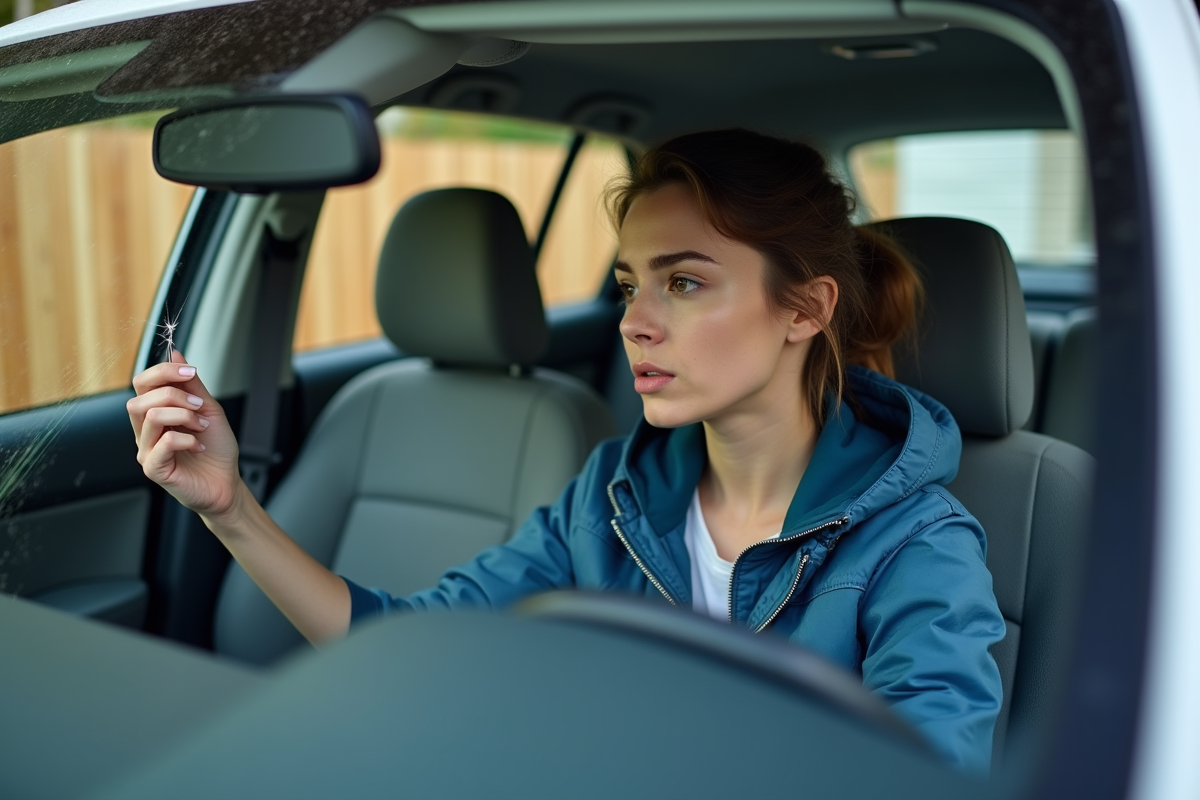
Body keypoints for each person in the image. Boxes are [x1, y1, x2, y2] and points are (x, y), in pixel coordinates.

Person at [128, 129, 1004, 772]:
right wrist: (229, 507)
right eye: (631, 285)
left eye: (685, 282)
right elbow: (413, 643)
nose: (635, 321)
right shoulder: (613, 499)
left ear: (804, 311)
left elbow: (929, 774)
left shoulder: (918, 543)